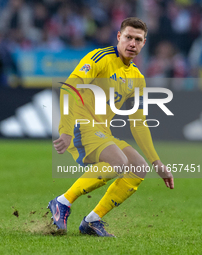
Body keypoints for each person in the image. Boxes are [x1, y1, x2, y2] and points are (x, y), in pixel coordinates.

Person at [48, 17, 174, 237]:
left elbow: (138, 122)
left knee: (139, 167)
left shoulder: (137, 77)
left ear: (144, 43)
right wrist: (66, 130)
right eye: (128, 37)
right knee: (118, 162)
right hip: (79, 125)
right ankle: (62, 202)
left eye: (138, 39)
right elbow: (69, 88)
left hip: (101, 131)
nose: (132, 44)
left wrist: (157, 162)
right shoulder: (100, 58)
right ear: (118, 37)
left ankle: (92, 220)